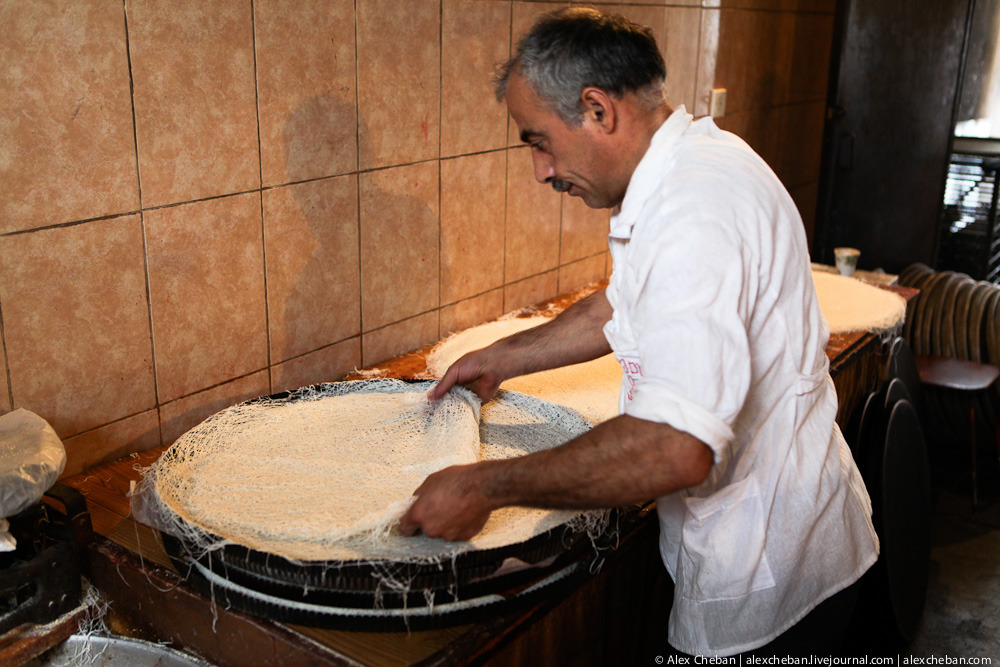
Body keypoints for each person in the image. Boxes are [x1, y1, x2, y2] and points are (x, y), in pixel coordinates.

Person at [398, 7, 879, 658]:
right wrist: (501, 358)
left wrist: (484, 486)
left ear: (597, 110)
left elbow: (675, 447)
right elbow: (623, 303)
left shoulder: (694, 211)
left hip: (768, 577)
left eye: (538, 140)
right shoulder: (691, 163)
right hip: (802, 534)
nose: (541, 170)